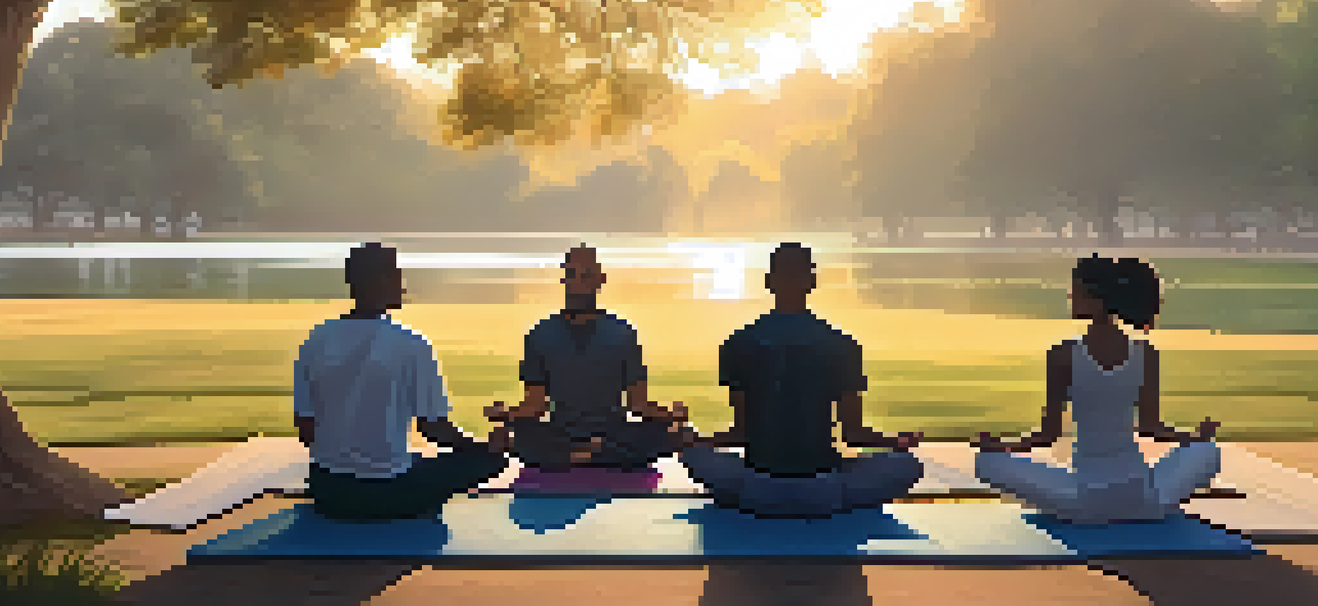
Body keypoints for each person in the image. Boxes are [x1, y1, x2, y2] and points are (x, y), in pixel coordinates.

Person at [678, 242, 925, 518]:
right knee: (907, 465)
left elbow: (741, 433)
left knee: (694, 457)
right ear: (812, 281)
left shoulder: (738, 343)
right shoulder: (842, 345)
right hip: (824, 491)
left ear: (768, 282)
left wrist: (696, 441)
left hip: (757, 491)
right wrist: (896, 442)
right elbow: (853, 434)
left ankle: (748, 498)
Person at [971, 254, 1222, 524]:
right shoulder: (1145, 353)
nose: (1069, 297)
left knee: (986, 462)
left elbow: (1048, 435)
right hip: (1144, 499)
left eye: (1076, 291)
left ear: (1095, 299)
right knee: (1207, 452)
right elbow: (1152, 427)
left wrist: (1000, 448)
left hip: (1084, 503)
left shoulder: (1062, 354)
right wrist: (1196, 438)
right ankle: (1190, 457)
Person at [294, 242, 509, 521]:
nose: (402, 284)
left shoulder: (316, 339)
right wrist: (485, 448)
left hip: (327, 492)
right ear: (383, 280)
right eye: (397, 274)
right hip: (390, 493)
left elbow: (306, 430)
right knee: (491, 461)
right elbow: (434, 429)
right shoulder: (412, 343)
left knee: (413, 461)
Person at [485, 244, 689, 471]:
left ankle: (575, 456)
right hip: (562, 433)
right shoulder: (540, 334)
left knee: (657, 433)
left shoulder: (623, 333)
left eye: (586, 275)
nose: (578, 283)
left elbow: (638, 404)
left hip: (612, 433)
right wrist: (506, 415)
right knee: (525, 433)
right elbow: (535, 405)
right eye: (572, 275)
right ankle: (595, 454)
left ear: (599, 280)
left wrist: (671, 415)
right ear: (563, 280)